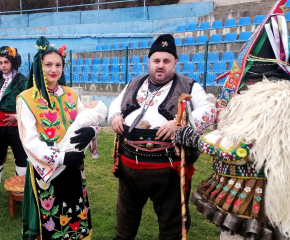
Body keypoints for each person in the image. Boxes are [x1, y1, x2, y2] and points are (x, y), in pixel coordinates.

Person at [174, 1, 290, 239]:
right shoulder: (261, 101)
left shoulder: (273, 101)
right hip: (245, 198)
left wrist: (196, 139)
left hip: (259, 206)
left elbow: (239, 151)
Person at [108, 34, 216, 240]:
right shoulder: (134, 82)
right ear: (149, 62)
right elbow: (116, 103)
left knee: (171, 230)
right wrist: (114, 116)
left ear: (175, 63)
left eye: (166, 61)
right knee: (123, 229)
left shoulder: (190, 86)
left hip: (168, 169)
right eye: (156, 61)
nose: (160, 65)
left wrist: (180, 122)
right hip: (129, 168)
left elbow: (210, 111)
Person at [17, 37, 106, 240]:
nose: (53, 69)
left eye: (58, 65)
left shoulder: (70, 95)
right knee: (52, 220)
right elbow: (29, 141)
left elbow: (86, 119)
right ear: (39, 66)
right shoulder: (26, 98)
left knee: (74, 215)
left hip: (74, 166)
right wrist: (61, 158)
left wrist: (93, 131)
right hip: (47, 168)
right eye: (48, 64)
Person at [0, 45, 27, 183]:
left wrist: (16, 116)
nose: (3, 65)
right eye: (0, 63)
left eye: (6, 62)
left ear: (13, 62)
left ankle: (21, 191)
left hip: (17, 125)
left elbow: (29, 104)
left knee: (21, 157)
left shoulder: (22, 81)